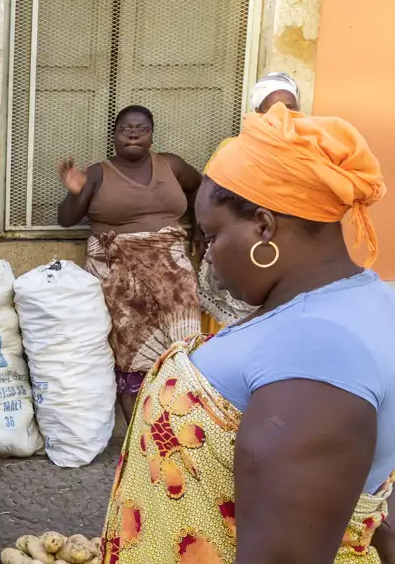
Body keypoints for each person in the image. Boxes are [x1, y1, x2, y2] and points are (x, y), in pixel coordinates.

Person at [101, 104, 395, 563]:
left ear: (263, 226)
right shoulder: (365, 302)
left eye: (213, 236)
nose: (210, 256)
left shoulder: (316, 350)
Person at [57, 105, 203, 420]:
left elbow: (199, 187)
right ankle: (139, 431)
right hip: (119, 266)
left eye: (141, 128)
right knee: (130, 343)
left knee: (183, 339)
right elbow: (67, 220)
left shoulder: (172, 165)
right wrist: (74, 192)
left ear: (152, 135)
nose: (134, 133)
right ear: (114, 136)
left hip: (172, 266)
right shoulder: (97, 173)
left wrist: (200, 228)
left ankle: (181, 417)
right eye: (126, 129)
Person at [200, 72, 301, 333]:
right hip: (241, 250)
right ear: (257, 112)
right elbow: (210, 197)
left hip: (289, 253)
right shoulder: (233, 148)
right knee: (232, 331)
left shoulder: (310, 152)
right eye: (272, 108)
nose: (283, 114)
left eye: (290, 107)